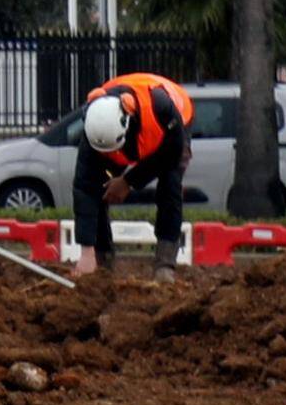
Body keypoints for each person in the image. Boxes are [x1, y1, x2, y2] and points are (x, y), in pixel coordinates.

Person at [70, 69, 196, 269]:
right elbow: (84, 188)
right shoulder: (95, 127)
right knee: (98, 187)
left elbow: (170, 155)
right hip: (126, 131)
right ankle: (101, 259)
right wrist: (86, 252)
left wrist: (128, 182)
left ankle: (165, 263)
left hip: (174, 125)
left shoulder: (161, 108)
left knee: (170, 185)